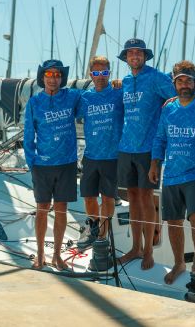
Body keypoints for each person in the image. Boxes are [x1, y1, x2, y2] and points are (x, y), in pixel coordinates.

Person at [149, 61, 195, 284]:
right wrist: (155, 164)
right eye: (180, 80)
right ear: (174, 83)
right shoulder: (168, 108)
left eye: (188, 80)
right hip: (171, 172)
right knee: (172, 220)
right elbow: (160, 138)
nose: (184, 84)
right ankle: (179, 263)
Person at [117, 38, 176, 270]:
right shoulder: (124, 81)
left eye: (138, 53)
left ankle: (149, 251)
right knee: (132, 198)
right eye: (130, 53)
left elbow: (174, 100)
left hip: (149, 148)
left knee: (147, 199)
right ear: (126, 58)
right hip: (126, 147)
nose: (134, 56)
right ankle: (136, 248)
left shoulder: (157, 77)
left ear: (144, 56)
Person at [24, 60, 81, 270]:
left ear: (61, 78)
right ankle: (40, 255)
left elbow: (94, 97)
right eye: (49, 74)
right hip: (43, 164)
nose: (53, 78)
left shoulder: (72, 96)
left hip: (66, 162)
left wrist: (115, 85)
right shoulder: (34, 102)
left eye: (57, 74)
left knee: (61, 210)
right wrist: (33, 162)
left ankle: (57, 255)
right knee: (41, 209)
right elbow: (29, 134)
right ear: (43, 77)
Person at [76, 55, 124, 251]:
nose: (100, 76)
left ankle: (103, 235)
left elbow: (140, 95)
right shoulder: (85, 97)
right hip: (91, 155)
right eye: (96, 73)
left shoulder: (118, 93)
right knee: (88, 196)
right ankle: (94, 227)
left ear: (109, 73)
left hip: (112, 156)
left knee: (107, 198)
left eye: (104, 72)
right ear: (91, 75)